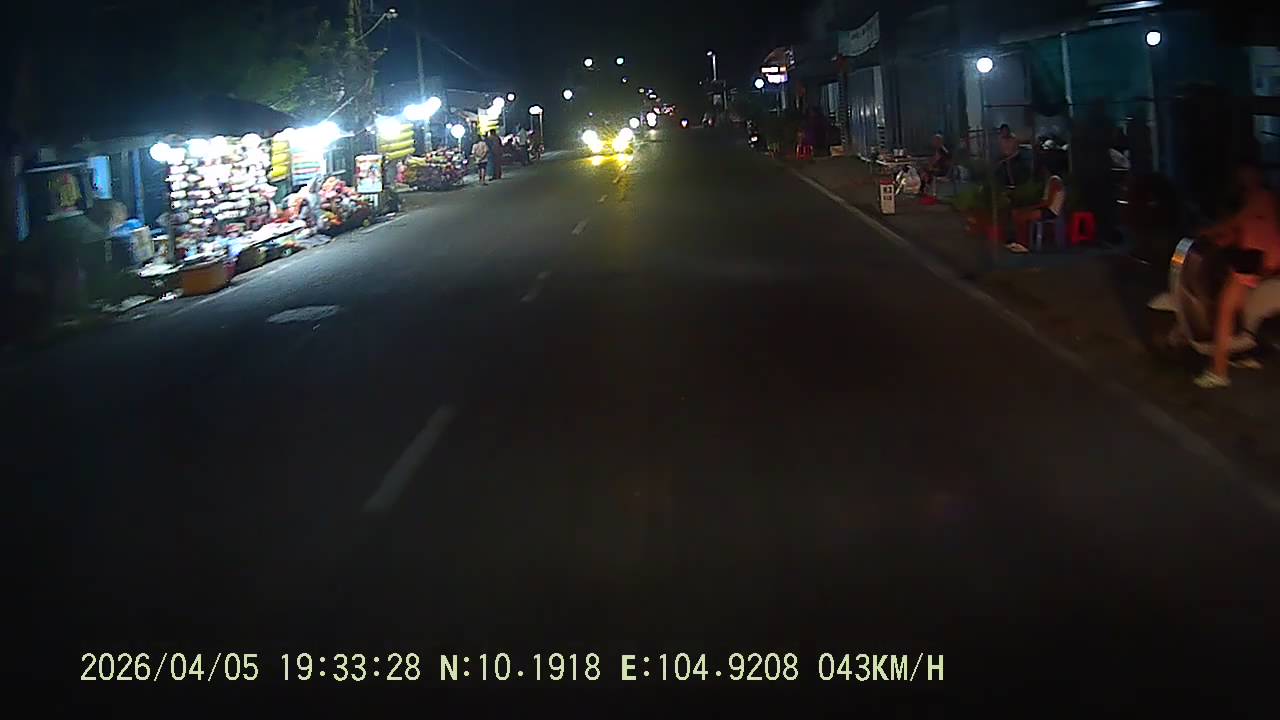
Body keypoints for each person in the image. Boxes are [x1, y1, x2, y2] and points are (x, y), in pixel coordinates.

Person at [1193, 162, 1280, 388]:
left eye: (1248, 172)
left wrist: (1207, 231)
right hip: (1256, 259)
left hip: (1256, 261)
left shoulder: (1262, 196)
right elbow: (1241, 229)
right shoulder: (1255, 197)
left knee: (1225, 309)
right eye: (1241, 173)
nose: (1244, 177)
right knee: (1241, 307)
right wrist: (1221, 239)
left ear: (1257, 174)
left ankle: (1219, 372)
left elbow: (1236, 222)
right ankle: (1245, 351)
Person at [1008, 166, 1066, 252]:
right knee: (1016, 214)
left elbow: (1048, 202)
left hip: (1050, 211)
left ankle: (1023, 244)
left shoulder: (1054, 181)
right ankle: (1019, 241)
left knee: (1022, 217)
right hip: (1046, 209)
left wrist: (1031, 208)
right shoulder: (1050, 181)